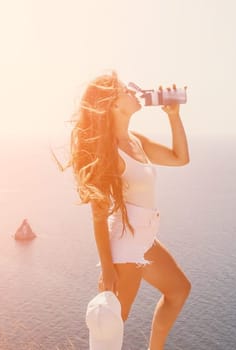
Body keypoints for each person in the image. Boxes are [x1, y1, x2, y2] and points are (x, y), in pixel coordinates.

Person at [65, 71, 191, 349]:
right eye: (126, 89)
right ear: (113, 104)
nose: (134, 90)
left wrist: (173, 115)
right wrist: (108, 268)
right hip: (126, 243)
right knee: (110, 329)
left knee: (179, 290)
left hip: (144, 238)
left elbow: (180, 158)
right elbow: (98, 215)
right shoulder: (107, 151)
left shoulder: (135, 140)